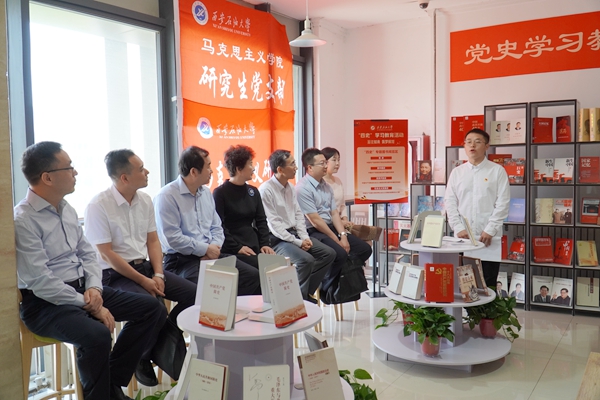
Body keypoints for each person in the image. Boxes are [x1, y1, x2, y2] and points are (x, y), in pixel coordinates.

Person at [15, 142, 164, 400]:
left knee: (152, 309)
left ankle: (110, 385)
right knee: (96, 335)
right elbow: (41, 281)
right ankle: (106, 393)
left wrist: (94, 289)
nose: (75, 172)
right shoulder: (23, 220)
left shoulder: (66, 209)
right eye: (69, 167)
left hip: (84, 290)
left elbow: (88, 254)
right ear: (47, 177)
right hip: (45, 303)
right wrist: (90, 304)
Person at [84, 149, 196, 386]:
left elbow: (153, 241)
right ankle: (136, 360)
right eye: (141, 169)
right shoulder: (98, 205)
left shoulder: (145, 200)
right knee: (152, 306)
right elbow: (107, 254)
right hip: (113, 275)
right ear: (124, 177)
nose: (147, 172)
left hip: (144, 267)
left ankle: (151, 344)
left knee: (195, 294)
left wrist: (158, 273)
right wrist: (145, 281)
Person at [154, 146, 260, 295]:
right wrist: (205, 249)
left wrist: (213, 249)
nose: (212, 171)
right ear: (194, 172)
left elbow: (217, 227)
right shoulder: (167, 196)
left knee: (252, 276)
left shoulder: (205, 192)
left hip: (211, 254)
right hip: (181, 260)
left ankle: (228, 307)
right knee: (204, 291)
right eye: (208, 166)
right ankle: (205, 308)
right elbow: (173, 238)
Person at [296, 148, 372, 302]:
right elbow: (315, 220)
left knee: (364, 249)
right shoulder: (302, 188)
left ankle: (336, 280)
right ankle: (326, 289)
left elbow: (334, 213)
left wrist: (343, 235)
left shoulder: (326, 186)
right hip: (313, 230)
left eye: (326, 162)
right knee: (340, 253)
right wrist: (337, 240)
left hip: (330, 226)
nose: (326, 166)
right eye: (322, 163)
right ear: (310, 167)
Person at [259, 149, 336, 303]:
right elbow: (274, 225)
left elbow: (299, 216)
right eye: (292, 164)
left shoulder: (290, 187)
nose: (296, 167)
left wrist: (304, 237)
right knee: (305, 260)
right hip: (277, 239)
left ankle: (301, 296)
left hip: (294, 235)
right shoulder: (266, 190)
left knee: (328, 253)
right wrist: (299, 242)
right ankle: (298, 299)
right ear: (280, 169)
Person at [445, 128, 510, 287]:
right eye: (468, 142)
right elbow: (450, 202)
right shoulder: (457, 173)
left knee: (487, 284)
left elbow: (503, 202)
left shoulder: (497, 171)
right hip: (463, 237)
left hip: (488, 238)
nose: (472, 145)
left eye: (477, 141)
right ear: (464, 146)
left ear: (487, 146)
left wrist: (490, 229)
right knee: (463, 284)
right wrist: (458, 227)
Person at [213, 145, 275, 269]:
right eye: (250, 164)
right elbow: (219, 225)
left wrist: (265, 244)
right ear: (239, 169)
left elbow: (261, 221)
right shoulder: (220, 193)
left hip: (254, 244)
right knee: (261, 269)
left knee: (277, 266)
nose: (254, 168)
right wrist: (237, 247)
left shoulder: (253, 191)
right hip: (233, 248)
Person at [322, 147, 353, 230]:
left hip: (341, 224)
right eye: (334, 160)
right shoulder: (321, 184)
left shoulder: (338, 181)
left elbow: (342, 204)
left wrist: (345, 221)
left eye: (338, 160)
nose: (337, 163)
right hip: (328, 224)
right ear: (324, 162)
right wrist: (340, 222)